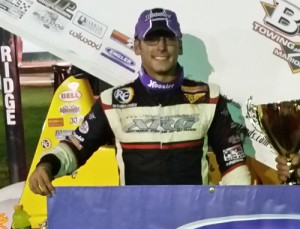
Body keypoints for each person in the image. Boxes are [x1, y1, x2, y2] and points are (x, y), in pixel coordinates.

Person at [29, 7, 251, 196]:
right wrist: (46, 165)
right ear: (137, 46)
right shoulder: (113, 102)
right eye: (152, 38)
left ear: (179, 45)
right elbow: (77, 147)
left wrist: (242, 209)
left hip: (194, 217)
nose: (161, 47)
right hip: (136, 219)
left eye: (169, 38)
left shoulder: (208, 97)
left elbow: (233, 163)